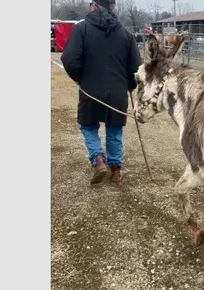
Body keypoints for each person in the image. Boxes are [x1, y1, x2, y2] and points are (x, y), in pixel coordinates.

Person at [60, 0, 141, 185]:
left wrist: (80, 77)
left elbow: (69, 59)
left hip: (90, 89)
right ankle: (115, 169)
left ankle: (98, 161)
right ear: (112, 7)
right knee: (114, 128)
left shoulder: (81, 29)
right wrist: (130, 84)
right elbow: (136, 68)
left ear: (94, 5)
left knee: (88, 126)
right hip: (117, 92)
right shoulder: (126, 34)